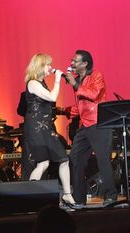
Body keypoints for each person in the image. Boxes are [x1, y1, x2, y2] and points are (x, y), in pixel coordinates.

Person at [64, 50, 117, 206]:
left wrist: (75, 84)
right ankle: (79, 198)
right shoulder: (78, 79)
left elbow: (94, 95)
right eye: (72, 60)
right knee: (75, 159)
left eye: (75, 61)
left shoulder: (96, 76)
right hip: (84, 124)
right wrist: (65, 111)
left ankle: (110, 195)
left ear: (85, 63)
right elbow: (81, 105)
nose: (72, 63)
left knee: (103, 160)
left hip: (98, 123)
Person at [24, 53, 75, 206]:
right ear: (40, 66)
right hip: (36, 127)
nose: (51, 68)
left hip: (46, 127)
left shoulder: (41, 82)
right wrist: (58, 79)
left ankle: (67, 195)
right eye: (48, 65)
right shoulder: (32, 83)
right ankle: (29, 195)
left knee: (64, 159)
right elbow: (52, 97)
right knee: (43, 163)